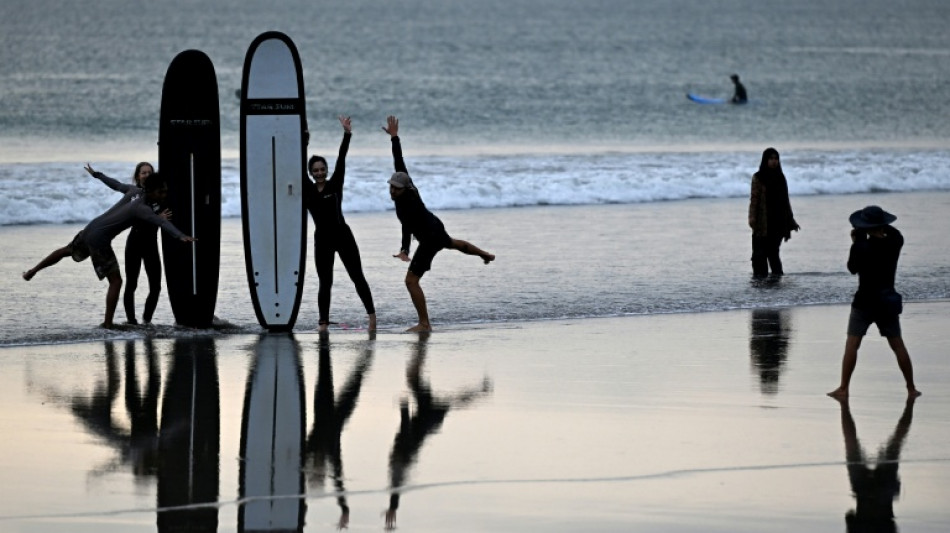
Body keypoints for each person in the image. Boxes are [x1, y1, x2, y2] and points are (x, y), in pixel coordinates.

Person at [22, 172, 196, 329]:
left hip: (91, 228)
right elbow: (161, 222)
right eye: (161, 192)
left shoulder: (133, 191)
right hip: (100, 240)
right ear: (151, 191)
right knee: (116, 281)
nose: (164, 195)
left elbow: (116, 185)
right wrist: (180, 235)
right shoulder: (142, 208)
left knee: (67, 250)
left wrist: (98, 175)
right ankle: (107, 324)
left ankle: (32, 271)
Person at [382, 116, 495, 332]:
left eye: (396, 188)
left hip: (429, 238)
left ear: (405, 189)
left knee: (411, 281)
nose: (392, 190)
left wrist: (405, 249)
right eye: (391, 187)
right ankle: (485, 254)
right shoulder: (408, 188)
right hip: (435, 226)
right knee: (452, 243)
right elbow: (399, 162)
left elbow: (407, 226)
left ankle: (424, 324)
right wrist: (394, 138)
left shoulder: (408, 203)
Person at [828, 206, 921, 398]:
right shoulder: (895, 241)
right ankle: (911, 388)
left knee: (852, 344)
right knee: (898, 345)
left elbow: (852, 268)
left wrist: (857, 241)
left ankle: (844, 388)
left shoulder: (862, 247)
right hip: (887, 300)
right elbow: (892, 230)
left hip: (864, 301)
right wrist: (874, 229)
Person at [303, 115, 376, 332]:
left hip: (343, 236)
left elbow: (341, 158)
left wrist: (347, 134)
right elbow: (297, 161)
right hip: (322, 240)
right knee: (325, 282)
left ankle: (372, 317)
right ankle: (323, 322)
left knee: (357, 276)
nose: (319, 173)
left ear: (326, 169)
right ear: (310, 173)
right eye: (315, 170)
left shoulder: (335, 184)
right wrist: (304, 141)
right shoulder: (308, 190)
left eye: (322, 169)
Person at [86, 162, 168, 325]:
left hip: (151, 245)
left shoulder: (160, 195)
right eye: (143, 173)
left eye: (149, 172)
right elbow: (116, 185)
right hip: (134, 244)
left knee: (156, 287)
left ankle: (147, 321)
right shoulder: (134, 193)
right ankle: (131, 321)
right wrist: (98, 175)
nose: (146, 175)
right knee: (131, 284)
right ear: (137, 176)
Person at [748, 147, 800, 277]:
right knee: (759, 254)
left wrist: (790, 219)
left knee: (773, 253)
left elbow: (786, 200)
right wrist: (752, 217)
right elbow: (754, 199)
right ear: (765, 160)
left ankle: (776, 280)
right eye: (771, 158)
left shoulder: (781, 177)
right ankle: (760, 280)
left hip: (778, 222)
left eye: (776, 158)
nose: (774, 161)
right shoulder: (758, 177)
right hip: (762, 222)